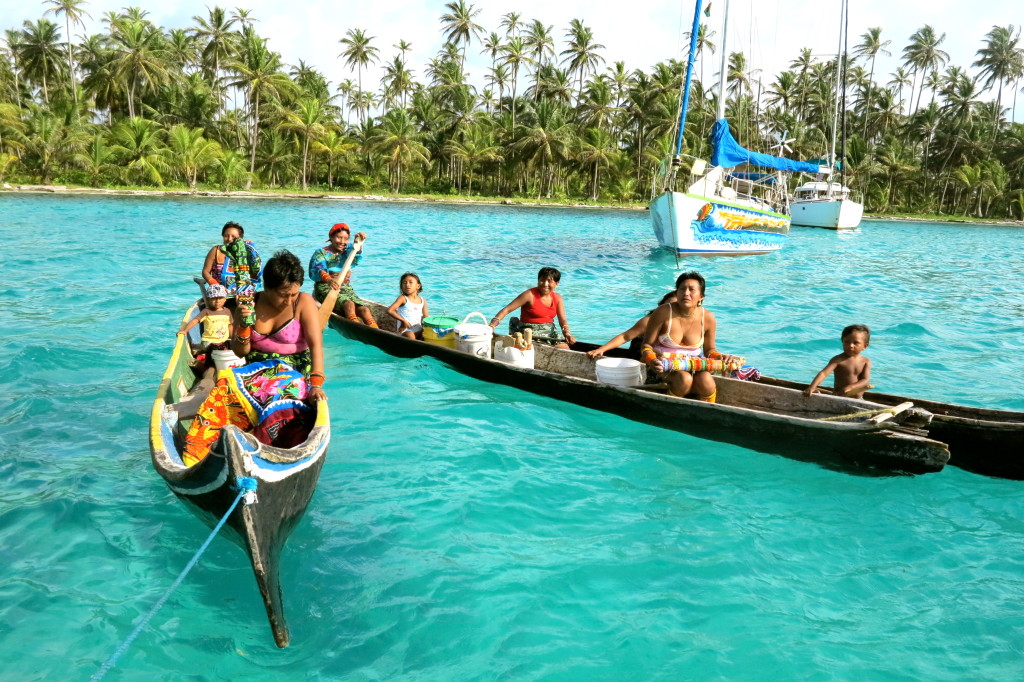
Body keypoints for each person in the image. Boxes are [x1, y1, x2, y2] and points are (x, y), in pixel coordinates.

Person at [231, 250, 327, 402]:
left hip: (294, 373)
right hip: (256, 374)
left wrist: (315, 386)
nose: (288, 301)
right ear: (267, 288)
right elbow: (240, 352)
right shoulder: (249, 306)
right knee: (224, 389)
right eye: (283, 295)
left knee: (275, 394)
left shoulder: (304, 302)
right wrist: (243, 327)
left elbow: (316, 346)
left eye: (293, 294)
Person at [641, 271, 724, 402]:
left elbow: (709, 350)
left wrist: (719, 357)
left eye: (692, 290)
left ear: (701, 296)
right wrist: (652, 360)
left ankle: (706, 410)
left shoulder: (708, 318)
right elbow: (646, 346)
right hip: (662, 367)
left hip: (692, 366)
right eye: (682, 289)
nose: (686, 293)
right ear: (677, 292)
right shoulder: (662, 312)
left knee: (706, 381)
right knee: (684, 379)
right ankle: (668, 406)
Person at [488, 267, 576, 349]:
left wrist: (567, 333)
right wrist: (492, 326)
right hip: (529, 334)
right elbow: (507, 310)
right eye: (542, 280)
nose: (545, 284)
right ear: (538, 281)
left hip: (551, 334)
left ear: (556, 284)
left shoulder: (558, 298)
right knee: (534, 349)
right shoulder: (529, 295)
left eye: (549, 281)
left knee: (565, 349)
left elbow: (562, 320)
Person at [308, 222, 376, 327]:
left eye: (346, 238)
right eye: (339, 238)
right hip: (325, 286)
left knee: (365, 310)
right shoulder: (321, 253)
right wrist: (329, 279)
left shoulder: (347, 250)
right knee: (349, 304)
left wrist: (359, 240)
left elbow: (355, 249)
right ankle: (356, 327)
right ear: (331, 237)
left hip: (345, 287)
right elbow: (319, 269)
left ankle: (375, 331)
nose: (342, 242)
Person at [586, 291, 677, 359]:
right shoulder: (648, 322)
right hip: (638, 358)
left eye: (675, 307)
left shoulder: (683, 324)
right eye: (668, 306)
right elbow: (625, 337)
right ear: (660, 306)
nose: (670, 310)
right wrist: (601, 349)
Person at [803, 324, 872, 399]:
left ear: (865, 346)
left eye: (856, 343)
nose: (851, 345)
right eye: (847, 342)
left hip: (859, 399)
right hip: (838, 397)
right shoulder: (838, 360)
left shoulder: (866, 361)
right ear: (842, 342)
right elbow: (824, 373)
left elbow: (865, 380)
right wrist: (812, 387)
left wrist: (850, 387)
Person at [201, 221, 262, 296]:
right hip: (218, 294)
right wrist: (215, 285)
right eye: (226, 236)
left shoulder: (246, 251)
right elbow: (205, 272)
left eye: (233, 236)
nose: (229, 239)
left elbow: (255, 273)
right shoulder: (216, 250)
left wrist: (251, 249)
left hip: (242, 292)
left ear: (241, 238)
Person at [180, 284, 234, 351]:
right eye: (214, 298)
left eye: (220, 298)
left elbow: (230, 326)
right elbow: (195, 321)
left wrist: (233, 338)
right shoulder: (206, 311)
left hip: (223, 340)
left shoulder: (227, 311)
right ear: (208, 300)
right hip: (209, 341)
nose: (217, 301)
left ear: (225, 299)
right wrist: (185, 330)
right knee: (214, 351)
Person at [387, 272, 429, 339]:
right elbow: (390, 310)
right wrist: (403, 321)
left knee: (429, 332)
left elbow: (426, 317)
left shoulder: (423, 300)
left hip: (418, 330)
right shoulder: (403, 298)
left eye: (410, 282)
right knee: (410, 334)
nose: (407, 285)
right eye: (404, 283)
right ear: (401, 287)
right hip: (406, 331)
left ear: (418, 286)